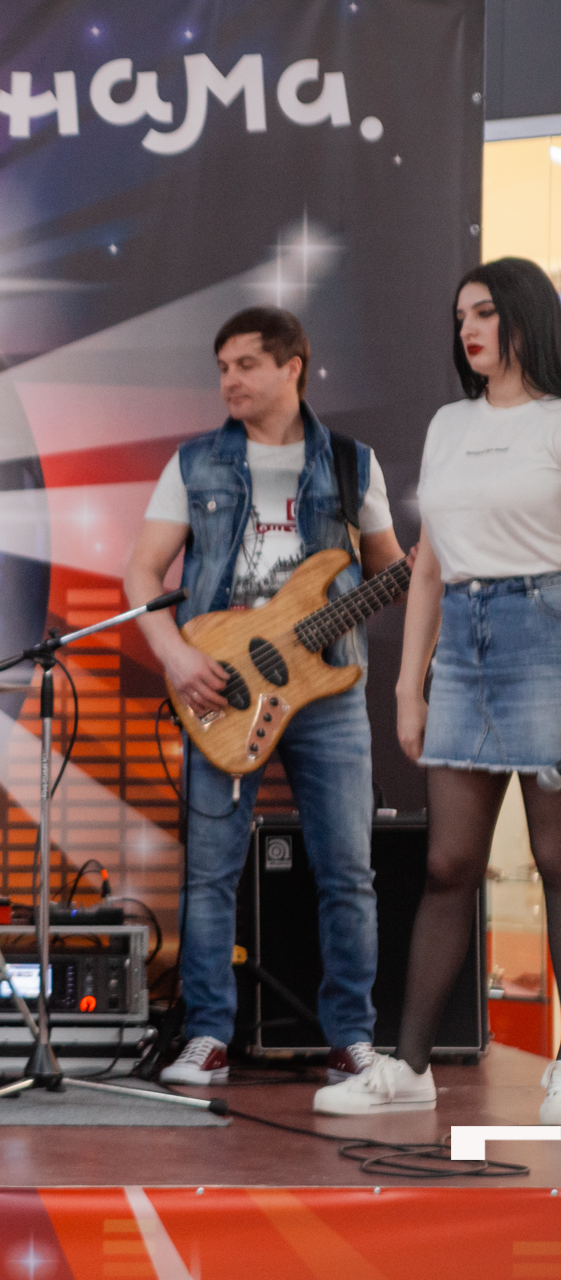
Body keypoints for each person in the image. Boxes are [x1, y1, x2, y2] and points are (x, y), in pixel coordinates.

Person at [124, 306, 405, 1088]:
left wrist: (434, 567)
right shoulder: (195, 463)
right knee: (210, 871)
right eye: (222, 368)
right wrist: (176, 657)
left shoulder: (351, 464)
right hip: (220, 683)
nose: (229, 381)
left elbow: (391, 570)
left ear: (292, 367)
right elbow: (141, 571)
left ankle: (351, 1038)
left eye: (245, 364)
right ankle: (207, 1035)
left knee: (347, 871)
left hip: (329, 687)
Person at [314, 258, 561, 1118]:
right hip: (463, 644)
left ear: (526, 316)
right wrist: (407, 690)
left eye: (485, 312)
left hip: (547, 633)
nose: (469, 330)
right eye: (461, 317)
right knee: (449, 862)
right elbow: (427, 567)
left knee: (557, 860)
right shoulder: (449, 425)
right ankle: (410, 1069)